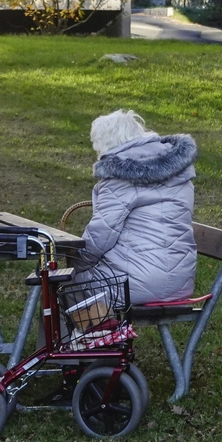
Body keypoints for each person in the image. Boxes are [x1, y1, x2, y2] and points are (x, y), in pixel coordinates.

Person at [72, 109, 198, 304]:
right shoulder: (178, 171)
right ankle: (102, 333)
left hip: (140, 282)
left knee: (62, 284)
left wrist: (74, 262)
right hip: (180, 281)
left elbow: (101, 234)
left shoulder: (120, 177)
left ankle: (85, 335)